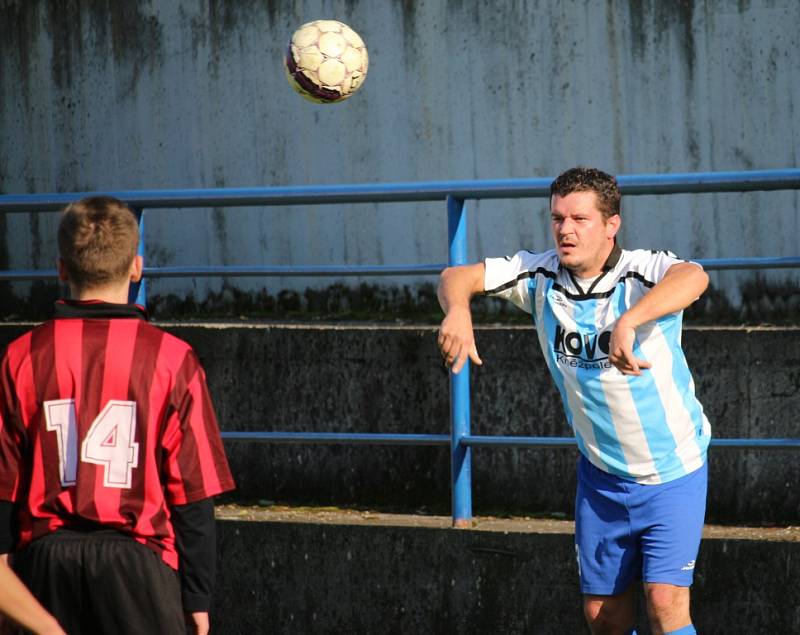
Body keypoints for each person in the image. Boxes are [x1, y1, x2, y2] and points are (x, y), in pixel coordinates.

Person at [437, 166, 711, 635]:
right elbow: (455, 276)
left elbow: (694, 277)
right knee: (602, 618)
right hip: (601, 477)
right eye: (558, 218)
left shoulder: (642, 272)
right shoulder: (540, 274)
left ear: (611, 224)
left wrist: (630, 321)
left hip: (673, 471)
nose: (565, 230)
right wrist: (459, 311)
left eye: (580, 219)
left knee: (665, 605)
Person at [0, 196, 236, 635]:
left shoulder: (20, 358)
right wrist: (197, 598)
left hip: (45, 566)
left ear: (62, 269)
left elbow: (3, 490)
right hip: (138, 569)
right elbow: (193, 496)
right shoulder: (172, 359)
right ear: (136, 268)